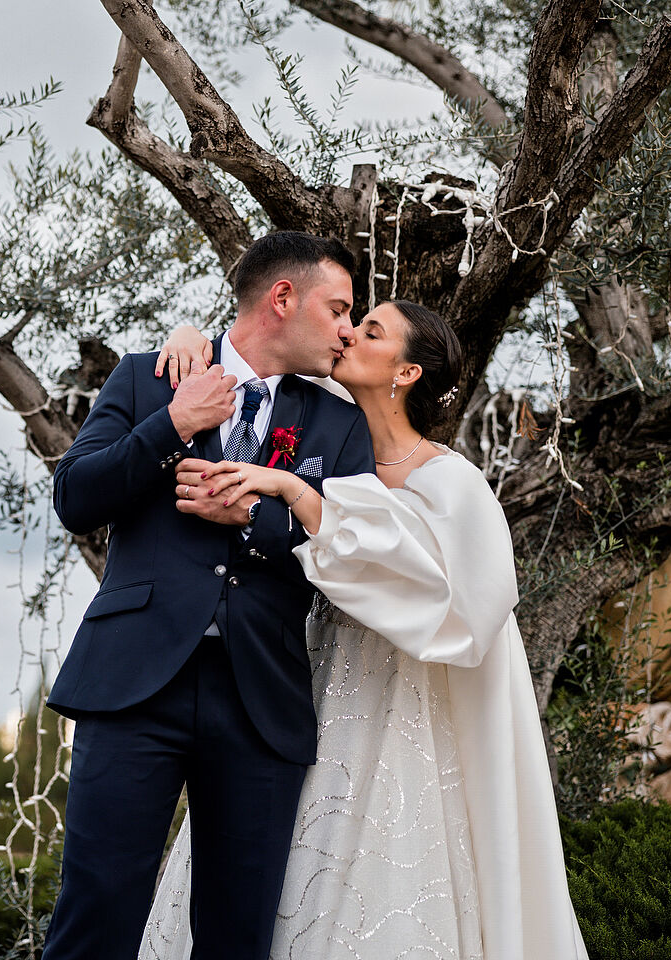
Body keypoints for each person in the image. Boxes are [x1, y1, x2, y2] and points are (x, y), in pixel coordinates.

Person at [138, 300, 590, 960]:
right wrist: (190, 339)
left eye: (371, 330)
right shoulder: (317, 438)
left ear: (405, 372)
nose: (348, 332)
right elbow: (246, 351)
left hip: (408, 705)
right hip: (305, 692)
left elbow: (470, 608)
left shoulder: (452, 483)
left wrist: (299, 496)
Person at [45, 232, 377, 960]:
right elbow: (74, 498)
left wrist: (255, 519)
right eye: (340, 308)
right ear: (282, 299)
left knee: (239, 934)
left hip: (260, 699)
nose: (348, 330)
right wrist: (173, 424)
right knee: (95, 915)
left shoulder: (339, 425)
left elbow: (348, 551)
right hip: (134, 685)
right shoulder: (147, 379)